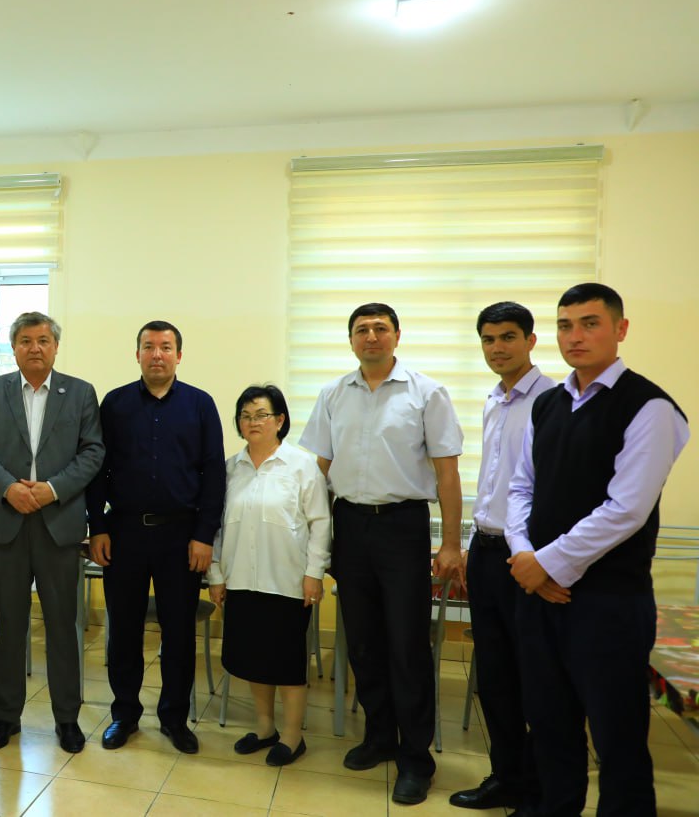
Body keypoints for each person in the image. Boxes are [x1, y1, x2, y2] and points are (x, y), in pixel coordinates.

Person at [505, 283, 688, 817]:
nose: (575, 336)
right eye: (565, 326)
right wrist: (525, 557)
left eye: (590, 323)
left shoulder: (650, 407)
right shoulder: (548, 404)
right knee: (550, 725)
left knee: (617, 737)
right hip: (540, 596)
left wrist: (547, 564)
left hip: (609, 602)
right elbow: (520, 488)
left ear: (620, 329)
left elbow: (626, 509)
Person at [299, 302, 464, 806]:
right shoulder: (334, 394)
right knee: (364, 641)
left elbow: (447, 473)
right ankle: (379, 737)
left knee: (407, 644)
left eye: (380, 328)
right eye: (361, 330)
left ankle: (416, 758)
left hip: (402, 526)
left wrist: (451, 543)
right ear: (351, 340)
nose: (371, 336)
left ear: (397, 335)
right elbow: (318, 468)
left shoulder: (426, 392)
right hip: (349, 525)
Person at [0, 311, 104, 754]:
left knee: (62, 625)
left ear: (56, 347)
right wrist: (8, 488)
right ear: (14, 347)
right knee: (9, 625)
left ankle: (67, 719)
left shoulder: (80, 392)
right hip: (6, 525)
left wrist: (52, 490)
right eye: (26, 340)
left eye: (43, 340)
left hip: (58, 526)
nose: (35, 348)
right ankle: (6, 717)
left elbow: (93, 451)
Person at [86, 320, 225, 755]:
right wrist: (97, 526)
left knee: (178, 632)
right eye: (149, 346)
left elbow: (213, 474)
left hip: (181, 537)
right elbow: (97, 469)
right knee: (123, 630)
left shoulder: (200, 405)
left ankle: (174, 718)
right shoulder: (115, 403)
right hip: (124, 533)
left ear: (179, 355)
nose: (157, 354)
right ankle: (124, 714)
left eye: (166, 347)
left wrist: (204, 535)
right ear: (137, 354)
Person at [448, 303, 553, 811]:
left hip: (526, 558)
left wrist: (541, 559)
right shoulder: (494, 399)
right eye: (488, 339)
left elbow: (551, 488)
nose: (497, 348)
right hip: (486, 551)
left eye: (508, 337)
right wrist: (471, 545)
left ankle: (538, 788)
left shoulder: (553, 400)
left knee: (535, 678)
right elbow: (494, 484)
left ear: (531, 340)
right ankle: (505, 777)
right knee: (493, 677)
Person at [207, 384, 330, 766]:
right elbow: (214, 526)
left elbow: (320, 522)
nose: (253, 422)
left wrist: (314, 573)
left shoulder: (301, 466)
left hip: (288, 581)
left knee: (286, 661)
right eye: (245, 416)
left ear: (279, 420)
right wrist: (216, 574)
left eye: (261, 414)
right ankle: (265, 728)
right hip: (241, 579)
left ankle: (292, 736)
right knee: (252, 658)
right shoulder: (229, 469)